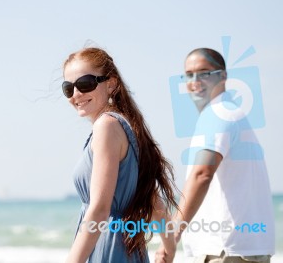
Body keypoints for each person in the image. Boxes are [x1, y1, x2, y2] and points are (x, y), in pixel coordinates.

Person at [156, 48, 275, 263]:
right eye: (189, 74)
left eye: (204, 72)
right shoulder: (231, 113)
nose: (195, 80)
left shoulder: (218, 114)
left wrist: (172, 234)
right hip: (243, 249)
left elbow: (202, 173)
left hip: (225, 251)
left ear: (223, 75)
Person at [62, 47, 178, 263]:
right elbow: (152, 199)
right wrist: (168, 247)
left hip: (108, 248)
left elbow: (99, 210)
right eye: (68, 88)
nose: (76, 94)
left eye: (85, 83)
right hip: (126, 248)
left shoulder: (106, 126)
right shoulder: (126, 127)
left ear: (111, 83)